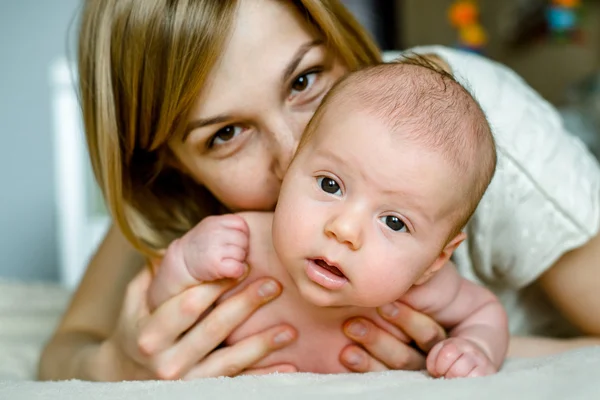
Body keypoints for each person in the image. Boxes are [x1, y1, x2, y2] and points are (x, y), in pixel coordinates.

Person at [39, 0, 600, 382]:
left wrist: (448, 357)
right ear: (170, 166)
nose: (293, 157)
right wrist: (114, 363)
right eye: (226, 134)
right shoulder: (176, 207)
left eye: (304, 79)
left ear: (338, 36)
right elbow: (66, 350)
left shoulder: (470, 139)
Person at [148, 58, 508, 378]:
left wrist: (476, 348)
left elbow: (485, 314)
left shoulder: (428, 287)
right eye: (330, 184)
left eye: (394, 222)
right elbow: (163, 306)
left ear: (436, 259)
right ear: (291, 167)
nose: (344, 229)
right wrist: (187, 259)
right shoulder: (242, 243)